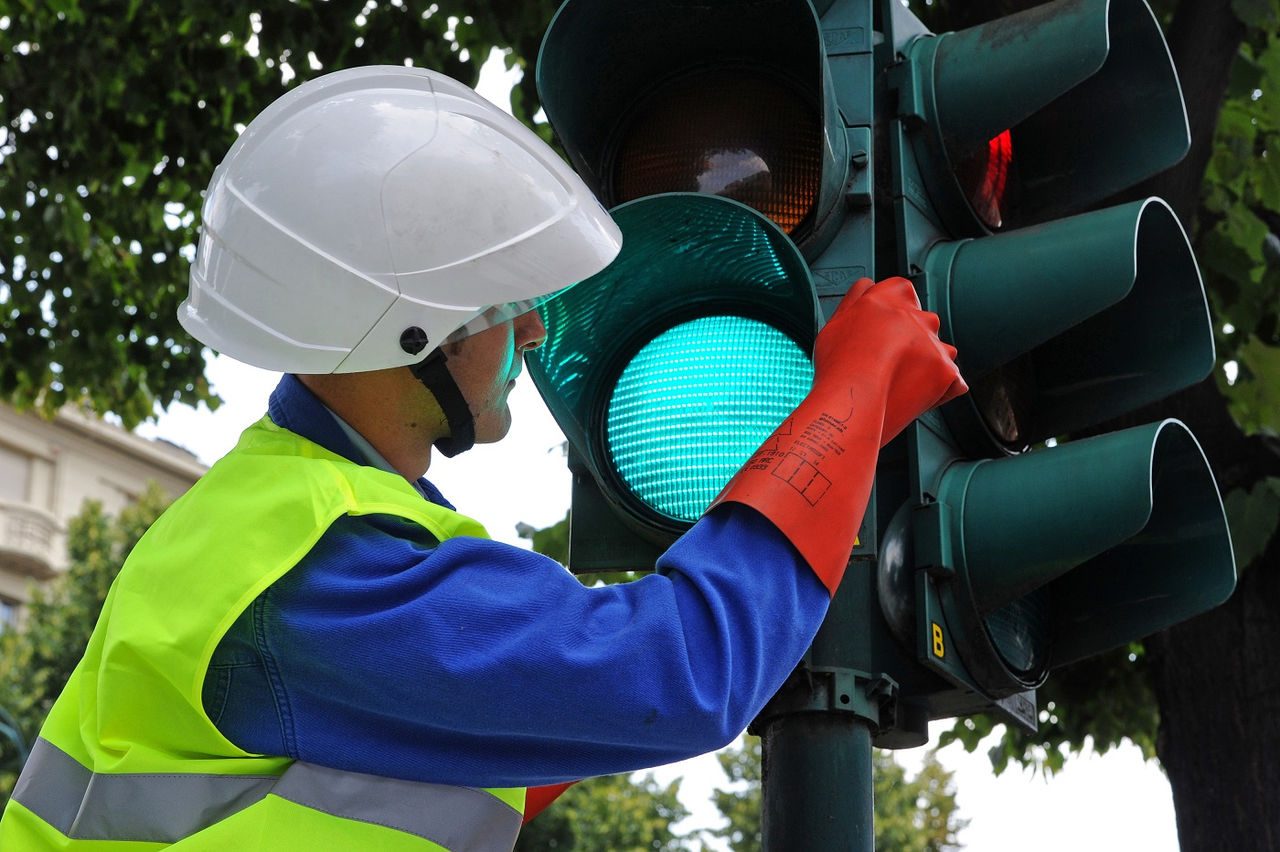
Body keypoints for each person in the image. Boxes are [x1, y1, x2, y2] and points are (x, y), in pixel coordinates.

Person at [0, 66, 965, 850]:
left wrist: (828, 464)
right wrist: (853, 390)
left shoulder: (274, 526)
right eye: (507, 302)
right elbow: (683, 674)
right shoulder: (323, 570)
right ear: (417, 329)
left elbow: (523, 745)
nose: (538, 329)